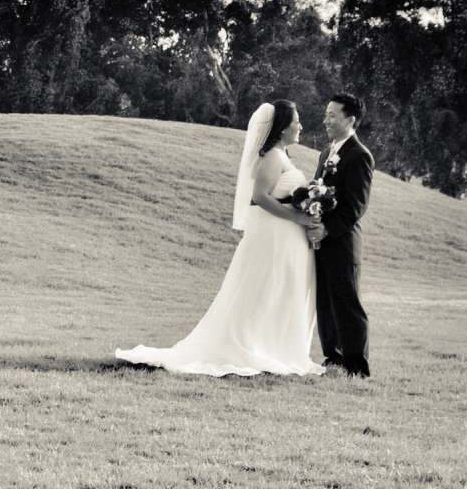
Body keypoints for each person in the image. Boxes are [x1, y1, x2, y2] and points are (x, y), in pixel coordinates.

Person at [116, 100, 324, 377]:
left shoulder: (283, 156)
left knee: (277, 291)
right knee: (264, 290)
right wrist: (295, 217)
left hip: (285, 240)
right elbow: (259, 197)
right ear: (283, 126)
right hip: (274, 237)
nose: (301, 126)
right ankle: (252, 346)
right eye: (296, 121)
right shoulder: (273, 156)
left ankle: (273, 345)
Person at [307, 93, 374, 378]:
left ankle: (357, 364)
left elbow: (356, 207)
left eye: (332, 116)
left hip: (343, 243)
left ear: (350, 119)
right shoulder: (327, 152)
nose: (326, 120)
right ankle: (332, 356)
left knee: (346, 303)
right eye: (326, 114)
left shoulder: (360, 156)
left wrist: (327, 228)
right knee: (325, 302)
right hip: (321, 243)